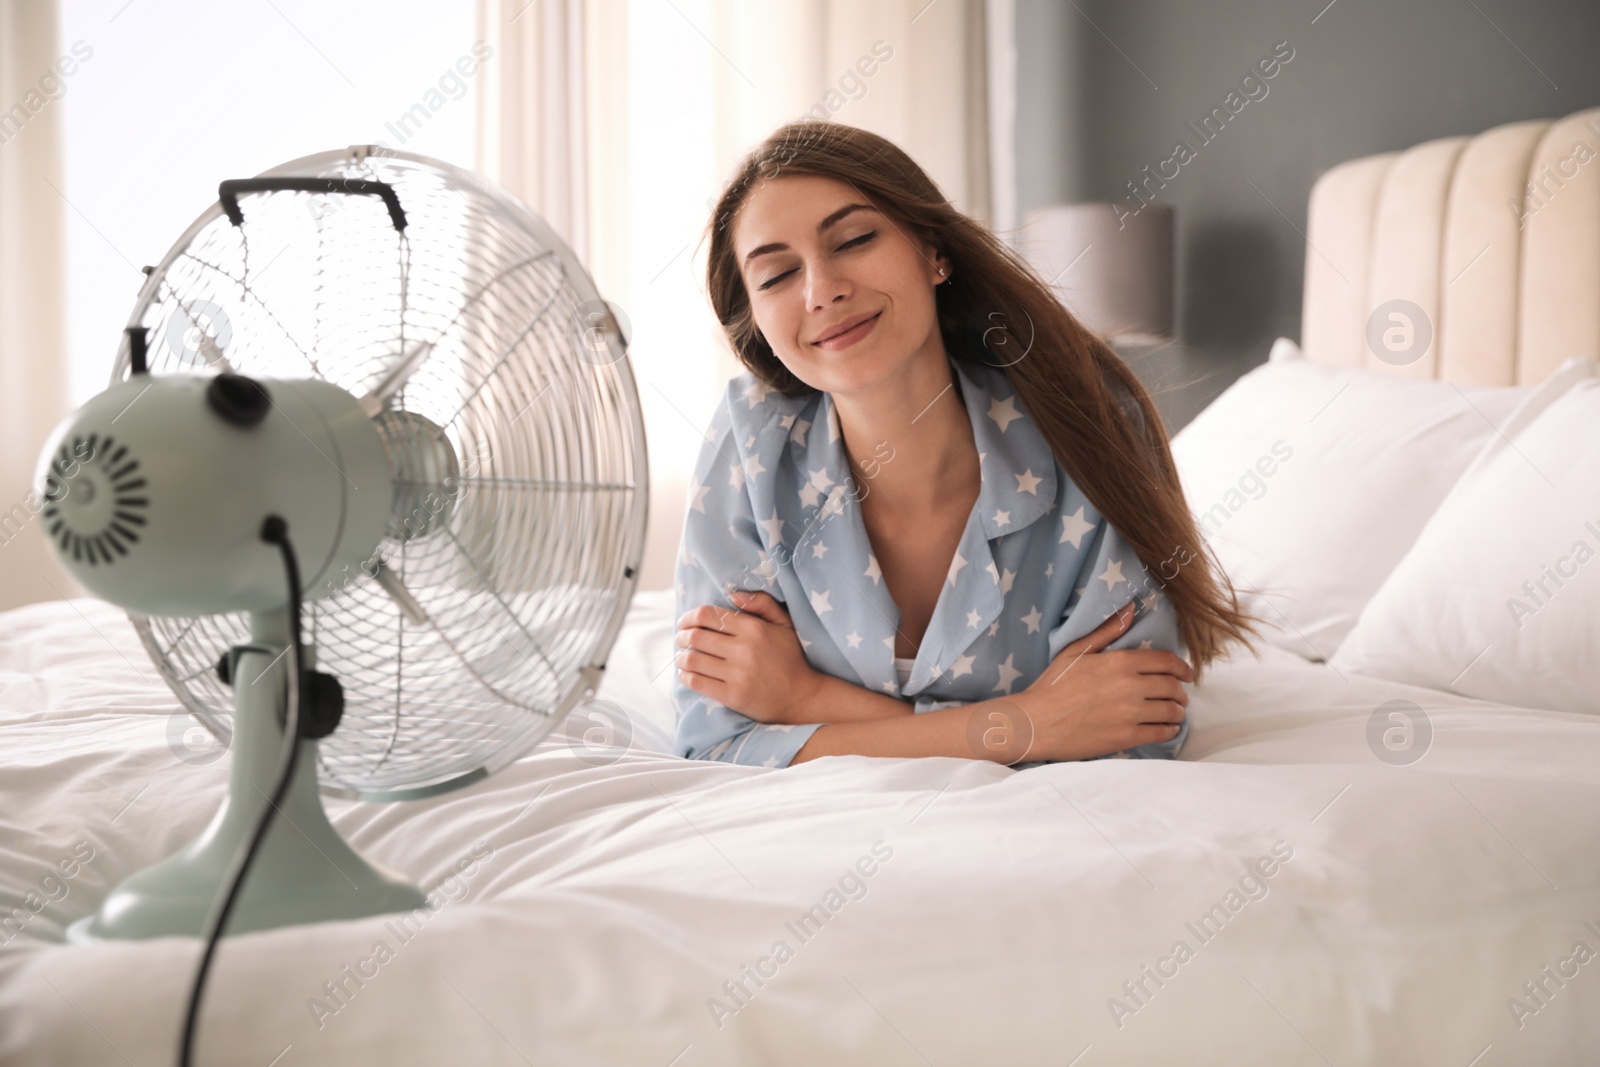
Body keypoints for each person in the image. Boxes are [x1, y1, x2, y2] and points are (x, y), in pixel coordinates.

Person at [671, 120, 1264, 768]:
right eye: (778, 275)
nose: (822, 291)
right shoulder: (749, 441)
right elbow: (718, 738)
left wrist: (805, 698)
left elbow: (1134, 727)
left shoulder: (1086, 422)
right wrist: (1029, 724)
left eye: (856, 239)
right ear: (755, 319)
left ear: (935, 253)